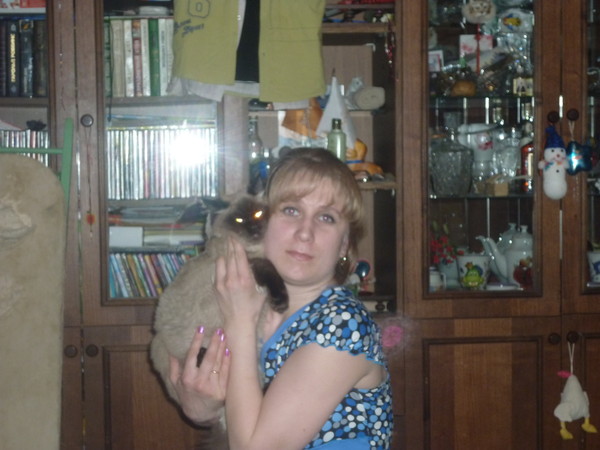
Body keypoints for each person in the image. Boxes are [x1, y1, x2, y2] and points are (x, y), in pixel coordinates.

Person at [169, 148, 393, 449]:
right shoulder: (247, 302)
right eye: (291, 210)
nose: (305, 232)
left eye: (326, 217)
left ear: (344, 244)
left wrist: (240, 323)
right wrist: (205, 407)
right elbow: (235, 416)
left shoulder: (343, 325)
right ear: (262, 221)